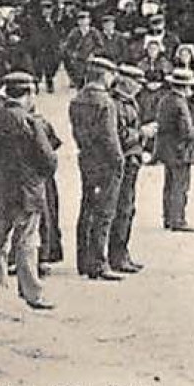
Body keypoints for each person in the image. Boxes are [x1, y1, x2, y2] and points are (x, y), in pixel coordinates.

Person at [0, 72, 57, 310]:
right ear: (28, 95)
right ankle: (32, 293)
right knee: (27, 242)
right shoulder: (32, 122)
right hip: (26, 193)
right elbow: (49, 161)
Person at [70, 56, 125, 280]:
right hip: (105, 162)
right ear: (104, 75)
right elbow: (109, 137)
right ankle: (99, 263)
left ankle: (83, 261)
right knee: (104, 212)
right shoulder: (105, 102)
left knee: (87, 209)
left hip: (87, 158)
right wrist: (119, 159)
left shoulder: (77, 99)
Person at [107, 63, 147, 273]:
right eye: (137, 82)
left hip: (131, 161)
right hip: (124, 161)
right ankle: (117, 255)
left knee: (127, 209)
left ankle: (122, 253)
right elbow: (120, 136)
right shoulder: (117, 105)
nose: (140, 86)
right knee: (122, 209)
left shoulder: (127, 102)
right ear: (126, 82)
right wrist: (143, 134)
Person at [154, 69, 194, 231]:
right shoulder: (181, 104)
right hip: (180, 150)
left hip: (167, 149)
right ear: (184, 87)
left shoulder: (165, 100)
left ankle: (168, 218)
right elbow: (187, 131)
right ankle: (178, 220)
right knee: (180, 186)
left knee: (169, 184)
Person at [60, 11, 98, 88]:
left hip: (91, 60)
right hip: (79, 60)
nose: (83, 22)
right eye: (81, 20)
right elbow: (67, 46)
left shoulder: (93, 32)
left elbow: (100, 46)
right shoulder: (74, 32)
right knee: (79, 81)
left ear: (89, 21)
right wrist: (73, 54)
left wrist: (93, 53)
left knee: (91, 81)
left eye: (85, 19)